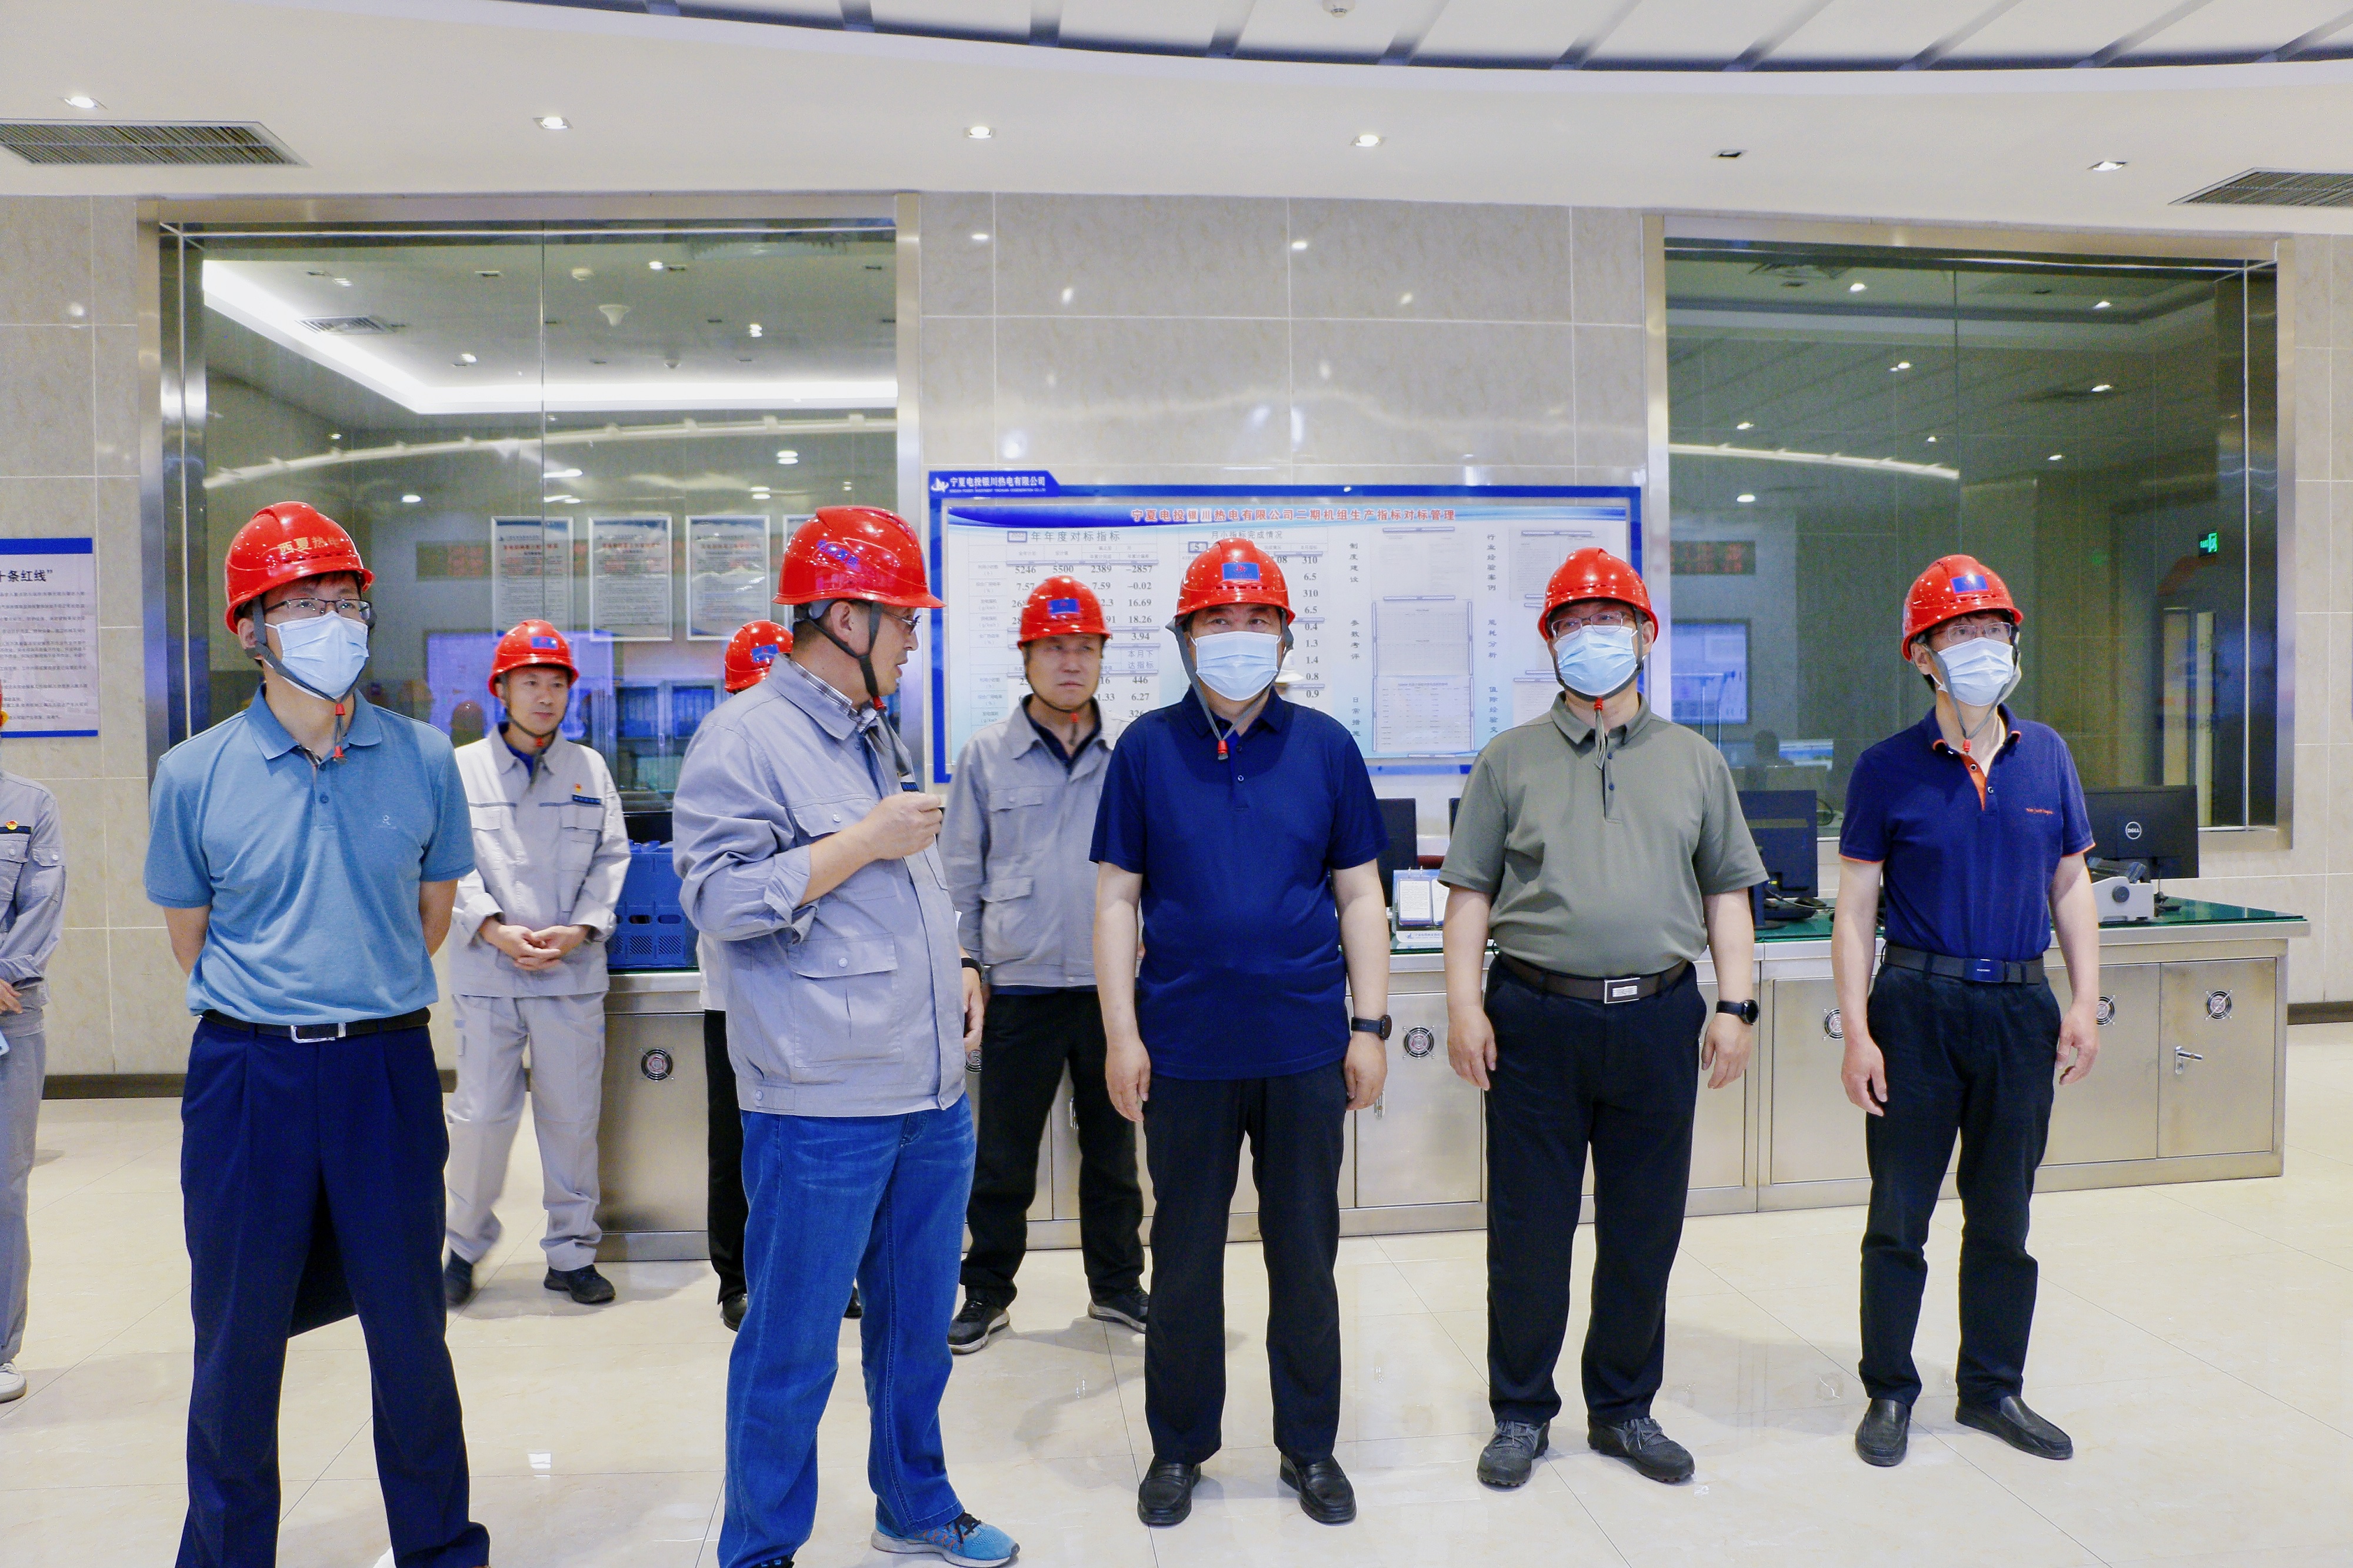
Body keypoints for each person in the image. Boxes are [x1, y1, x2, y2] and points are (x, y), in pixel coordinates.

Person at [145, 502, 487, 1568]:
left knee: (410, 1329)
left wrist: (354, 986)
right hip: (248, 1072)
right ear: (251, 628)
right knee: (237, 1337)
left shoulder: (423, 757)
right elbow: (191, 936)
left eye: (345, 601)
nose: (332, 621)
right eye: (303, 604)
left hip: (386, 1063)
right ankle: (226, 1553)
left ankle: (439, 1548)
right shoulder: (194, 773)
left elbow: (431, 915)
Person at [673, 507, 1015, 1568]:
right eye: (904, 619)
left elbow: (903, 889)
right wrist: (860, 840)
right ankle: (759, 1547)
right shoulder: (744, 737)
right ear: (845, 617)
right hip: (820, 1105)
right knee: (791, 1348)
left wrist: (959, 962)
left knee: (914, 1336)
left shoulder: (873, 729)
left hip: (928, 1096)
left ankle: (914, 1504)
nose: (915, 639)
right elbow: (719, 900)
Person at [1439, 546, 1764, 1492]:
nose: (1593, 637)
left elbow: (1728, 894)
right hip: (1534, 1018)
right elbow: (1469, 894)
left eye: (1610, 619)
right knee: (1529, 1230)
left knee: (1642, 1228)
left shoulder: (1695, 760)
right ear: (1550, 641)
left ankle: (1624, 1406)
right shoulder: (1509, 759)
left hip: (1660, 1016)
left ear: (1646, 635)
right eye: (1574, 623)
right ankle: (1520, 1410)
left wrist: (1735, 1003)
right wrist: (1464, 1007)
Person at [1094, 538, 1391, 1530]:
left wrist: (1370, 1024)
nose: (1237, 635)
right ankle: (1179, 1446)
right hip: (1183, 1050)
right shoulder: (1145, 750)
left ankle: (1310, 1446)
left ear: (1285, 636)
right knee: (1183, 1259)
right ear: (1186, 637)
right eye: (1217, 620)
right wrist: (1121, 1035)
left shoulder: (1327, 748)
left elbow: (1360, 894)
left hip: (1306, 1047)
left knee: (1305, 1255)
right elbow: (1115, 901)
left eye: (1256, 619)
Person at [1833, 554, 2100, 1469]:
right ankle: (1890, 1390)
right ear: (1923, 654)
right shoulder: (1886, 769)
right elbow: (1856, 909)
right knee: (1899, 1212)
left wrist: (2083, 999)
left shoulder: (2047, 755)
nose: (1983, 646)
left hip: (2021, 1006)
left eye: (1994, 630)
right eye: (1962, 632)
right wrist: (1857, 1030)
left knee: (2003, 1215)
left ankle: (1993, 1387)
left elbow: (2071, 883)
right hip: (1916, 1005)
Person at [942, 575, 1145, 1355]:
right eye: (1055, 647)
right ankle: (987, 1290)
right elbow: (960, 872)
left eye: (1085, 647)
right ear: (1026, 656)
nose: (1071, 662)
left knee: (1115, 1152)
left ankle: (1117, 1287)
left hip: (1112, 993)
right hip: (1018, 989)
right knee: (1002, 1157)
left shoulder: (1132, 753)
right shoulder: (986, 756)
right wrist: (966, 960)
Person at [440, 620, 630, 1309]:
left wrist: (581, 929)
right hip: (489, 974)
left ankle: (572, 1253)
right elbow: (445, 859)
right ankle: (462, 1248)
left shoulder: (590, 770)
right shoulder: (461, 770)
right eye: (531, 683)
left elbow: (612, 855)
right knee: (480, 1118)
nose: (545, 697)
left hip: (568, 973)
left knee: (572, 1119)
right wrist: (492, 927)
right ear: (502, 689)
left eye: (556, 684)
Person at [704, 617, 791, 1332]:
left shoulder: (819, 762)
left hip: (807, 991)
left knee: (808, 1143)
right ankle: (736, 1278)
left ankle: (817, 1272)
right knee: (734, 1141)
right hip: (730, 993)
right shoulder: (715, 766)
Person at [0, 681, 64, 1407]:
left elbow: (43, 904)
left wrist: (3, 971)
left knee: (3, 1186)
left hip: (10, 1011)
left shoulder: (30, 804)